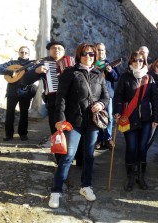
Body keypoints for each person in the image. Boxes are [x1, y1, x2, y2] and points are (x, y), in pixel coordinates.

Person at [48, 43, 109, 209]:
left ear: (95, 56)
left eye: (91, 54)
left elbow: (106, 97)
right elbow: (61, 98)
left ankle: (86, 186)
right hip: (74, 121)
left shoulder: (99, 74)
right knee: (68, 156)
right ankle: (56, 190)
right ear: (78, 55)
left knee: (89, 156)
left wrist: (101, 105)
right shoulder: (70, 73)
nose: (88, 57)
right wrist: (59, 119)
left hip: (92, 122)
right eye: (84, 54)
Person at [114, 51, 158, 191]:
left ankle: (141, 176)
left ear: (144, 62)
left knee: (142, 148)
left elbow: (155, 100)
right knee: (131, 148)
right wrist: (117, 112)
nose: (137, 63)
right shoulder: (125, 77)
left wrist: (156, 118)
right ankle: (130, 177)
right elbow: (118, 97)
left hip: (146, 119)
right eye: (135, 60)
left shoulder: (149, 79)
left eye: (140, 60)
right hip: (129, 118)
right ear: (130, 62)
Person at [23, 41, 75, 164]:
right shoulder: (44, 64)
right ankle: (60, 161)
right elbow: (26, 80)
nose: (56, 50)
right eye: (53, 48)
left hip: (72, 104)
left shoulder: (73, 63)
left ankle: (74, 158)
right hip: (54, 104)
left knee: (73, 132)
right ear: (49, 51)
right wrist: (36, 71)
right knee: (57, 132)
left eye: (59, 48)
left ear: (64, 51)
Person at [0, 46, 36, 141]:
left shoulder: (32, 64)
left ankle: (23, 134)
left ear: (29, 54)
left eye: (26, 52)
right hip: (12, 92)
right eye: (22, 52)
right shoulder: (12, 63)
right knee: (9, 113)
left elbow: (35, 75)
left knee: (24, 114)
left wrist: (30, 70)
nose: (23, 54)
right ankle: (9, 135)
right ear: (19, 53)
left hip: (26, 91)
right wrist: (9, 72)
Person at [94, 43, 120, 150]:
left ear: (105, 51)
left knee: (109, 117)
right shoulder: (93, 63)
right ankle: (98, 139)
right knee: (97, 117)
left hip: (108, 94)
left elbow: (116, 77)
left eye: (102, 50)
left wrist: (111, 71)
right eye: (99, 50)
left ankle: (108, 138)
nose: (101, 52)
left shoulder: (109, 63)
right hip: (95, 94)